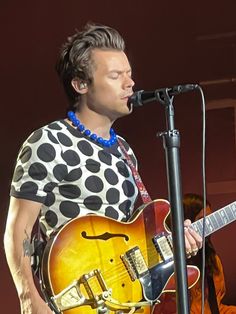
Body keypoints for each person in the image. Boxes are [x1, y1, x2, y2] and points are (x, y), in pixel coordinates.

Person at [3, 23, 202, 314]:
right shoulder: (49, 141)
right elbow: (17, 228)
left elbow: (133, 236)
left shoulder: (124, 150)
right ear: (81, 84)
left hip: (124, 301)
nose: (130, 84)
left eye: (129, 74)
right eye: (115, 76)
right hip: (76, 299)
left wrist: (175, 243)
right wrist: (28, 299)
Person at [156, 193, 236, 314]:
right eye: (201, 220)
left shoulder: (212, 259)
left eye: (209, 219)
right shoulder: (163, 266)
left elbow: (214, 307)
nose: (209, 227)